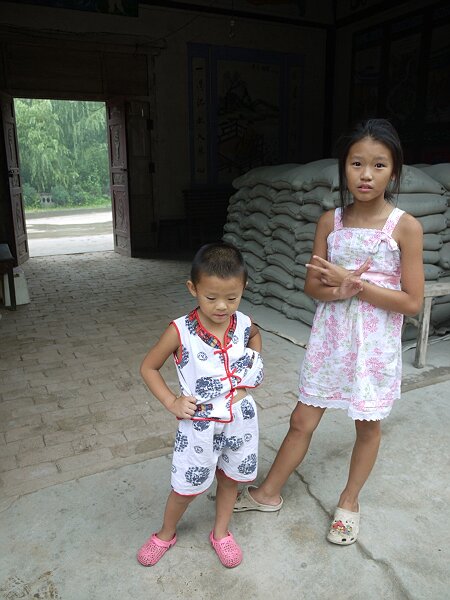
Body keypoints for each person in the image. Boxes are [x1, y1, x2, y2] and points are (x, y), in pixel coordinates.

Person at [233, 118, 424, 545]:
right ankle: (267, 494)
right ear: (344, 167)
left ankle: (349, 502)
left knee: (367, 425)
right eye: (357, 163)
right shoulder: (330, 221)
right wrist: (339, 289)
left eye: (378, 165)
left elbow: (412, 302)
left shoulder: (405, 226)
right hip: (331, 338)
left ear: (394, 171)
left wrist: (360, 287)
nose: (366, 175)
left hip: (374, 344)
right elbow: (312, 286)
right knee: (302, 417)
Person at [137, 242, 263, 567]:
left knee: (230, 479)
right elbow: (148, 367)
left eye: (232, 298)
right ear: (193, 288)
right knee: (186, 487)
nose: (222, 306)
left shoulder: (245, 323)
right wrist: (171, 401)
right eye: (211, 297)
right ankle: (166, 532)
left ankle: (221, 533)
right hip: (199, 425)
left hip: (240, 421)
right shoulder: (180, 331)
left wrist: (249, 371)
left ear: (243, 288)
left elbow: (255, 337)